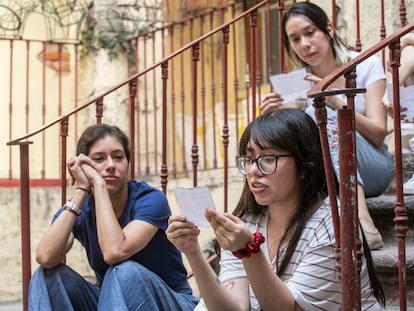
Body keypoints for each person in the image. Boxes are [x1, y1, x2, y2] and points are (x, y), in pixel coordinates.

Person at [167, 109, 385, 310]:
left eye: (268, 159)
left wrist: (248, 250)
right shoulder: (247, 220)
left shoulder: (332, 223)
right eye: (250, 158)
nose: (253, 170)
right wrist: (193, 252)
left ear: (304, 167)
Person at [260, 2, 394, 250]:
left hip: (375, 165)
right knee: (307, 117)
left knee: (324, 115)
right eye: (295, 39)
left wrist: (338, 104)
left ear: (329, 30)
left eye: (310, 33)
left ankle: (362, 220)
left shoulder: (365, 65)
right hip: (326, 175)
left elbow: (378, 133)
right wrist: (280, 113)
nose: (304, 44)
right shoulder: (296, 83)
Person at [28, 124, 199, 310]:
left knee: (124, 271)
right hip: (115, 302)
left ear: (127, 163)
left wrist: (99, 186)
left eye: (118, 157)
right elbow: (46, 256)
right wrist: (82, 189)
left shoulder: (150, 200)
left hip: (170, 301)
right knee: (46, 277)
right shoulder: (82, 208)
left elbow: (114, 252)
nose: (110, 165)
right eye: (99, 159)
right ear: (84, 167)